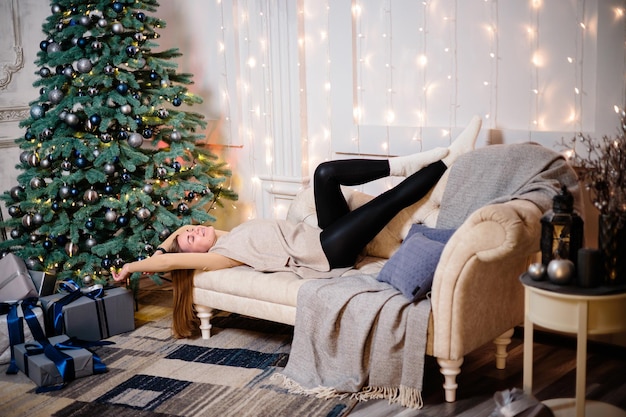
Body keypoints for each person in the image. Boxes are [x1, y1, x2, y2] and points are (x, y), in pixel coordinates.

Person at [112, 116, 482, 338]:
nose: (191, 231)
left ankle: (404, 162)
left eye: (189, 230)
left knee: (325, 173)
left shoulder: (226, 236)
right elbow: (171, 264)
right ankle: (450, 159)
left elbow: (177, 238)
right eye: (190, 241)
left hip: (323, 236)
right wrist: (134, 265)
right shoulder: (220, 257)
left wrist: (171, 241)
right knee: (392, 201)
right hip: (327, 254)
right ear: (196, 259)